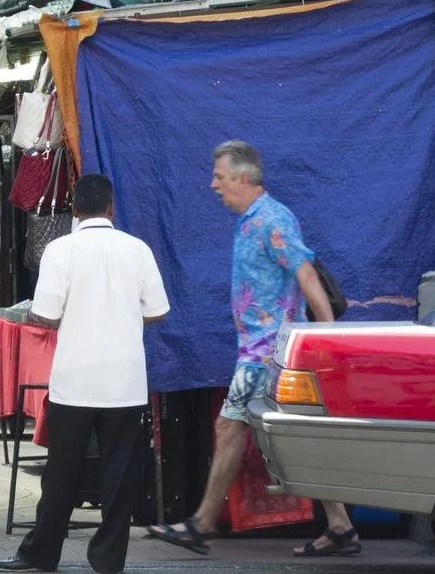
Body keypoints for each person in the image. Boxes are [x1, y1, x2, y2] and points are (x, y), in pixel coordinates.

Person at [150, 142, 354, 559]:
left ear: (243, 178)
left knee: (229, 429)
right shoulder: (251, 221)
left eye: (219, 177)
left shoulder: (271, 219)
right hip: (263, 351)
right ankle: (341, 526)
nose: (213, 185)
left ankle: (202, 525)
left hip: (266, 354)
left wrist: (326, 335)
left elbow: (305, 271)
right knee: (292, 440)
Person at [0, 173, 169, 574]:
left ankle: (41, 554)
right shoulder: (137, 249)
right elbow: (158, 310)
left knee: (61, 473)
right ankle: (108, 559)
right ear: (111, 208)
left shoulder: (61, 250)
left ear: (74, 210)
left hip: (74, 381)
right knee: (120, 474)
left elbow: (46, 315)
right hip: (125, 383)